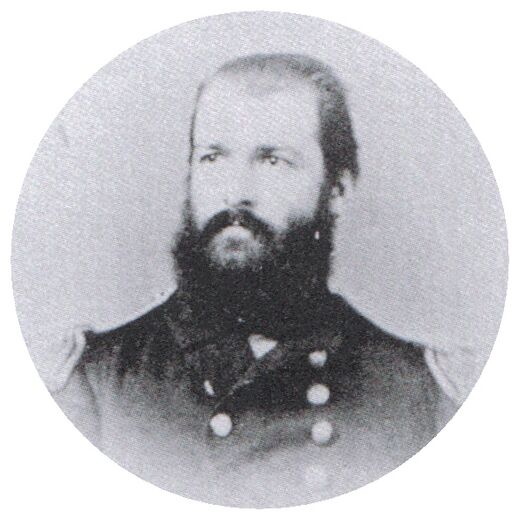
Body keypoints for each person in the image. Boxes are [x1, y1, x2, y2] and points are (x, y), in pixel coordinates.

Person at [51, 53, 458, 507]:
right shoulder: (96, 386)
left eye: (272, 161)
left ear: (337, 189)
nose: (236, 192)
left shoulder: (419, 393)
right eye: (213, 157)